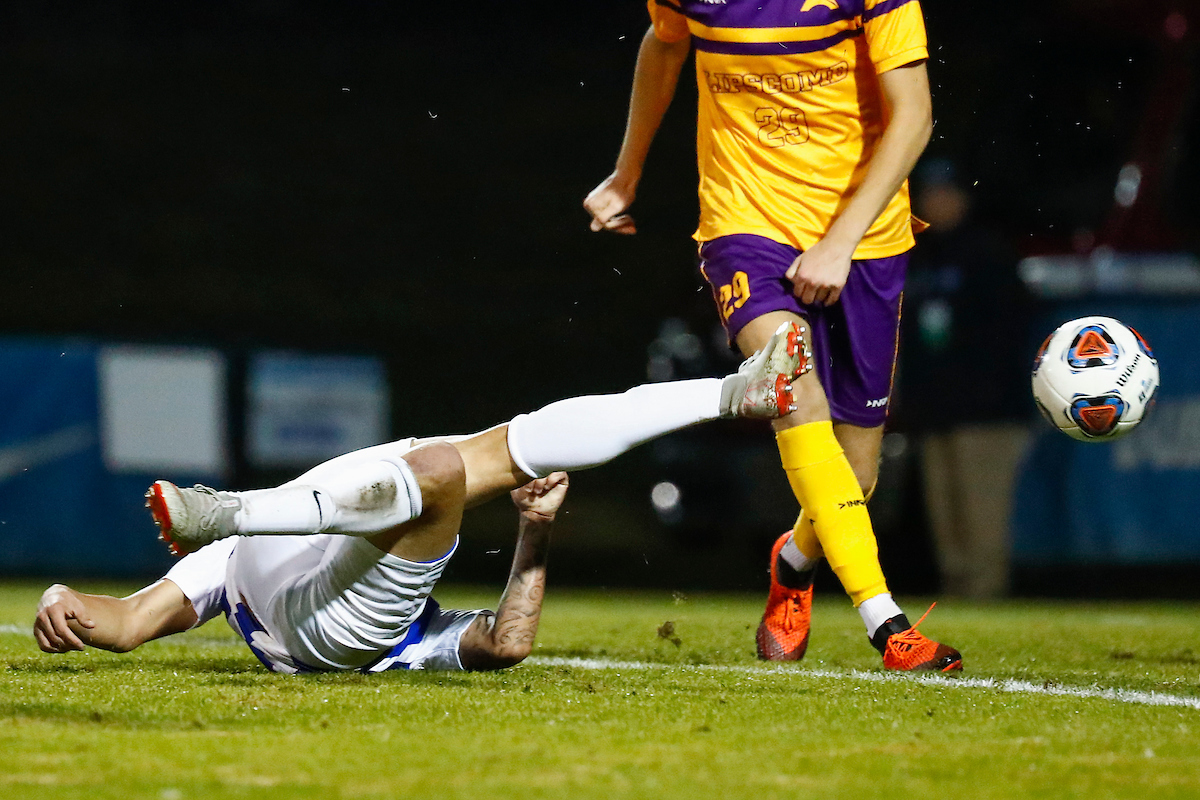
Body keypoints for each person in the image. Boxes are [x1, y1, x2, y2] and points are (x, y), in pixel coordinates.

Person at [34, 324, 806, 674]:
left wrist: (62, 599)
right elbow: (505, 645)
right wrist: (538, 536)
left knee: (478, 454)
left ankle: (733, 392)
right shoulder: (418, 639)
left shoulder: (227, 571)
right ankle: (730, 394)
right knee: (453, 463)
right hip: (337, 636)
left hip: (295, 589)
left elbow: (128, 622)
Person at [584, 0, 960, 670]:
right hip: (745, 224)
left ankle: (792, 563)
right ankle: (888, 625)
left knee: (856, 473)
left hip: (865, 237)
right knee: (789, 379)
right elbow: (664, 45)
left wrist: (840, 243)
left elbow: (916, 115)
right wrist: (628, 171)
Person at [894, 160, 1031, 599]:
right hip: (936, 413)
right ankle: (959, 599)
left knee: (982, 516)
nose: (937, 202)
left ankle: (986, 598)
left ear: (963, 198)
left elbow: (1010, 334)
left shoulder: (988, 253)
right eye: (929, 193)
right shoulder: (917, 256)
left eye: (945, 192)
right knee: (946, 518)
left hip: (986, 415)